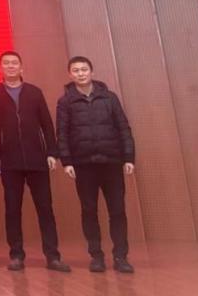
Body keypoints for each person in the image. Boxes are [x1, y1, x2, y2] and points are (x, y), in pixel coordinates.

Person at [0, 51, 70, 272]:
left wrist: (52, 152)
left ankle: (53, 256)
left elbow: (47, 124)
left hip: (37, 159)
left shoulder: (34, 92)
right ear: (0, 68)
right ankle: (16, 255)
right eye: (6, 63)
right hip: (9, 160)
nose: (10, 66)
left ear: (21, 68)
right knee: (12, 209)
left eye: (14, 63)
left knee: (45, 208)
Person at [56, 56, 136, 274]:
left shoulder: (110, 97)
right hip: (83, 165)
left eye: (84, 69)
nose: (80, 73)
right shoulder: (65, 102)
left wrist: (129, 157)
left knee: (117, 211)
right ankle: (96, 256)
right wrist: (66, 161)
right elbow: (62, 133)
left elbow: (123, 127)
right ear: (70, 74)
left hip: (112, 162)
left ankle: (121, 256)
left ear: (92, 72)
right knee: (89, 211)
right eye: (76, 70)